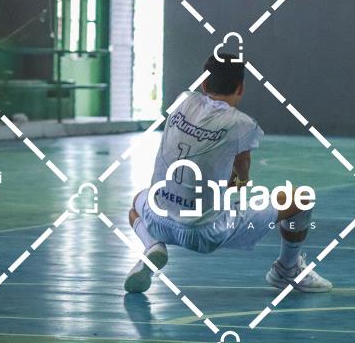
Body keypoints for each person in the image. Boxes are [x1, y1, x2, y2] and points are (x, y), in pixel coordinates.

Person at [123, 54, 332, 293]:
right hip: (204, 232)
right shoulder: (242, 124)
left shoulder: (182, 101)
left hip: (157, 221)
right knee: (302, 198)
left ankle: (152, 245)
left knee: (137, 202)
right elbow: (242, 172)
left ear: (204, 84)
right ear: (240, 88)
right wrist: (238, 182)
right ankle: (287, 270)